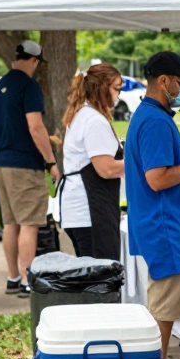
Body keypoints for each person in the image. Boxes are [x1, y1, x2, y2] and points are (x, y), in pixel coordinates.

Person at [124, 50, 180, 359]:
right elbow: (157, 179)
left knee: (163, 311)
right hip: (165, 229)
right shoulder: (154, 120)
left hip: (162, 227)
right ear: (163, 81)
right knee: (162, 314)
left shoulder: (149, 116)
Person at [0, 40, 61, 297]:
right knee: (30, 224)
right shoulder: (29, 86)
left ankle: (12, 277)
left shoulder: (0, 85)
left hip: (2, 162)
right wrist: (50, 161)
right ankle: (27, 279)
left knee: (11, 223)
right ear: (34, 61)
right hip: (24, 165)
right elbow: (35, 126)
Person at [58, 63, 125, 259]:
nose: (118, 95)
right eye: (117, 89)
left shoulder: (84, 115)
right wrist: (139, 163)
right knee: (99, 279)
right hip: (90, 213)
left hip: (80, 212)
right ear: (102, 88)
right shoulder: (94, 121)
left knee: (92, 277)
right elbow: (106, 169)